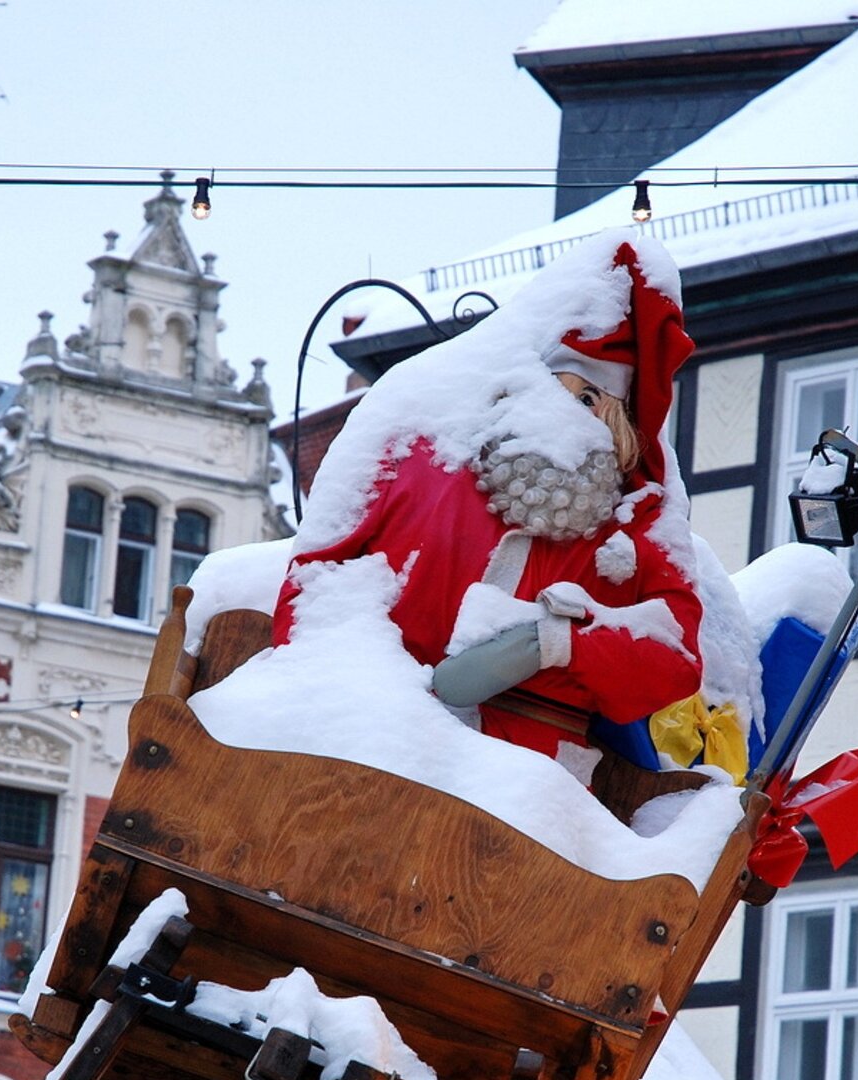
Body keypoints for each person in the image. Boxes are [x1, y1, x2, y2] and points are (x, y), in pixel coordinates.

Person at [272, 234, 703, 779]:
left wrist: (559, 643)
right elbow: (316, 581)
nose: (563, 412)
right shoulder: (415, 449)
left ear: (616, 421)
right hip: (378, 743)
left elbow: (676, 658)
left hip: (529, 776)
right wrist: (353, 692)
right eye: (554, 387)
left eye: (588, 399)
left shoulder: (639, 515)